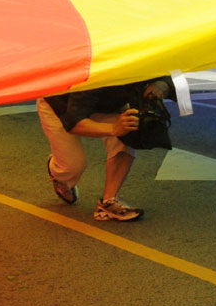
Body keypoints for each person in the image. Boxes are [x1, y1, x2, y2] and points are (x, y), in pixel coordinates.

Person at [36, 78, 172, 222]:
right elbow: (74, 122)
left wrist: (163, 85)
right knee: (73, 167)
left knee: (128, 133)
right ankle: (57, 171)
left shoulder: (141, 58)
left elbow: (174, 72)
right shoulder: (95, 74)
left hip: (105, 104)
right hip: (61, 106)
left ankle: (109, 202)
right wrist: (114, 128)